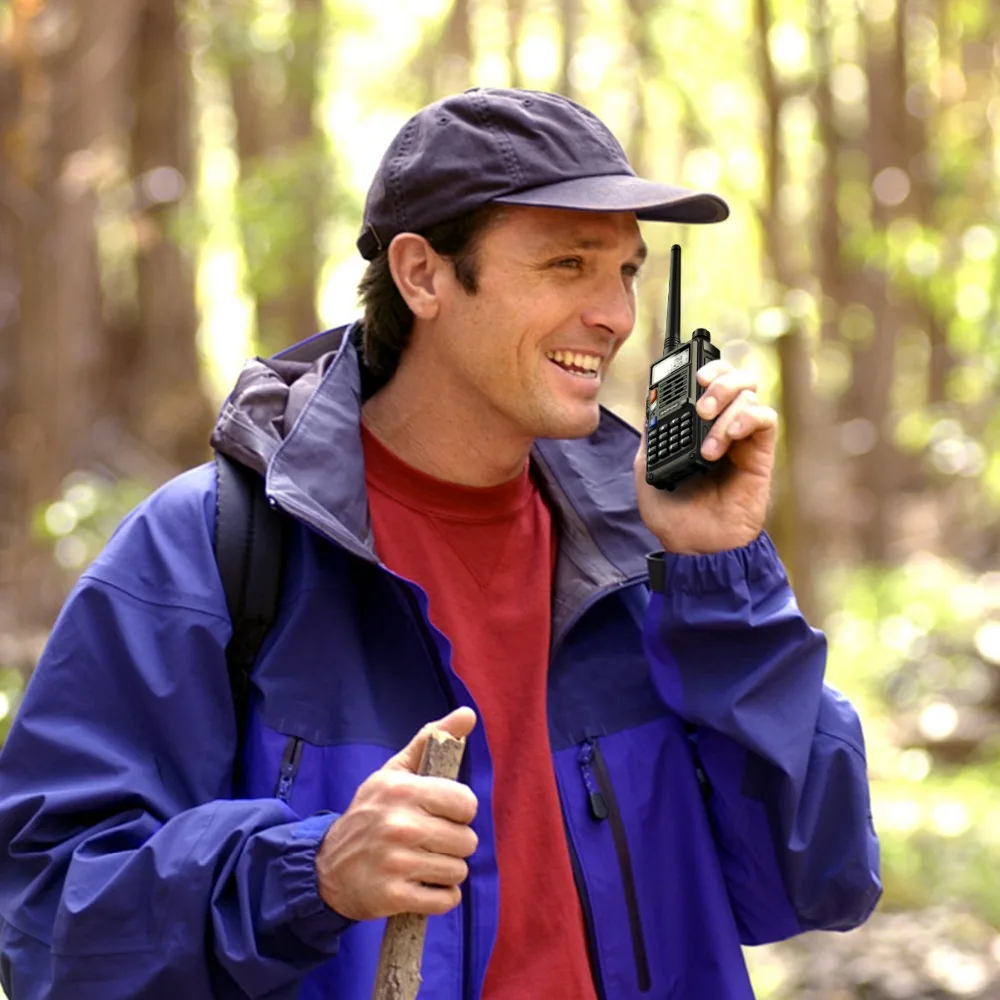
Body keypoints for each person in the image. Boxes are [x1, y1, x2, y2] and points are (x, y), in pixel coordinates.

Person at [0, 88, 880, 1000]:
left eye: (625, 270)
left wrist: (723, 579)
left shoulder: (654, 558)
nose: (615, 315)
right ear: (422, 275)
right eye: (568, 264)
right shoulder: (210, 551)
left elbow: (819, 880)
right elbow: (51, 924)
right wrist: (308, 874)